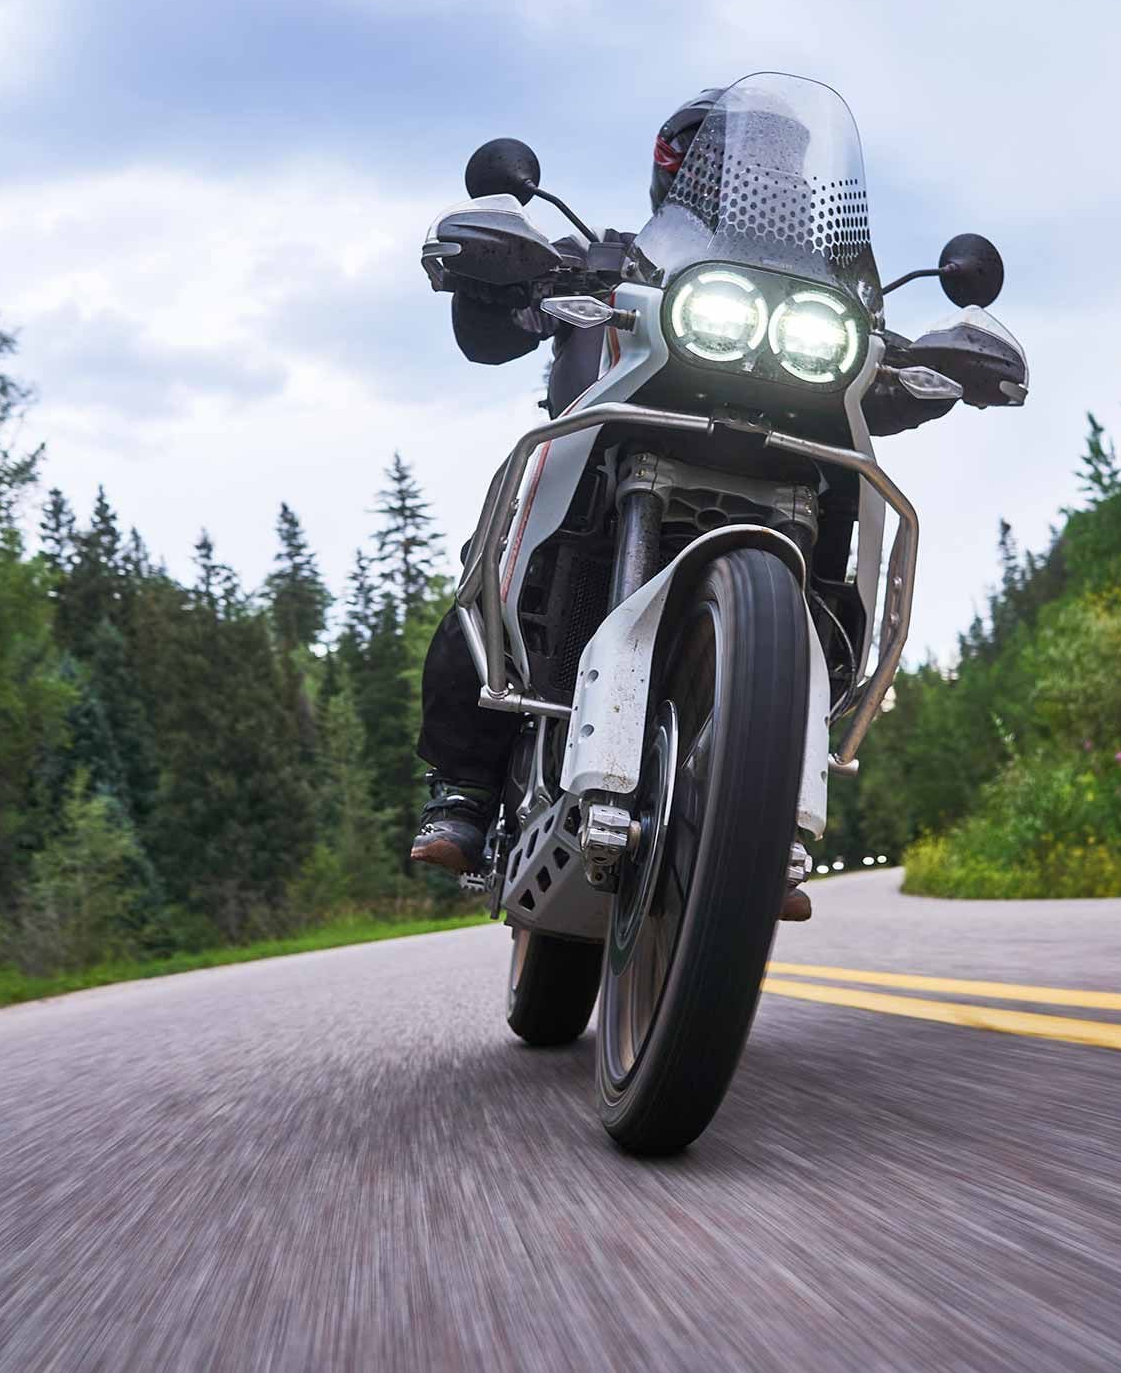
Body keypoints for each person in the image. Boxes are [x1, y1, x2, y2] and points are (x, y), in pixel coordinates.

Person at [408, 89, 952, 916]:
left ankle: (765, 809)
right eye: (739, 153)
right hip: (604, 467)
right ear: (681, 166)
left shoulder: (828, 297)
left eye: (780, 157)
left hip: (785, 451)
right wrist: (506, 272)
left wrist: (930, 361)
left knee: (849, 541)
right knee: (492, 563)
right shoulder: (612, 263)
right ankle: (466, 790)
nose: (762, 172)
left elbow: (896, 391)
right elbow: (488, 336)